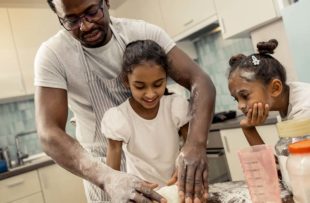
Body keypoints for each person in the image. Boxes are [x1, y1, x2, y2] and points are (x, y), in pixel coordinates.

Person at [35, 0, 216, 202]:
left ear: (106, 2)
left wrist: (195, 144)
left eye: (92, 12)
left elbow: (200, 81)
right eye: (71, 20)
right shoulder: (53, 55)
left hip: (155, 166)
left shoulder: (143, 34)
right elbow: (48, 133)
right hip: (99, 170)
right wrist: (108, 178)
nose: (85, 26)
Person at [102, 40, 189, 189]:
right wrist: (119, 188)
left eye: (158, 84)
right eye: (140, 86)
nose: (150, 94)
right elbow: (112, 172)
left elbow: (192, 144)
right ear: (126, 81)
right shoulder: (120, 118)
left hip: (178, 186)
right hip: (142, 194)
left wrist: (185, 164)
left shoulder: (175, 106)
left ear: (166, 79)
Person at [227, 39, 310, 146]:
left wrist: (249, 130)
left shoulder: (304, 111)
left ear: (275, 88)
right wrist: (247, 128)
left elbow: (281, 162)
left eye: (245, 95)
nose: (240, 106)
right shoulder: (287, 98)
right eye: (236, 99)